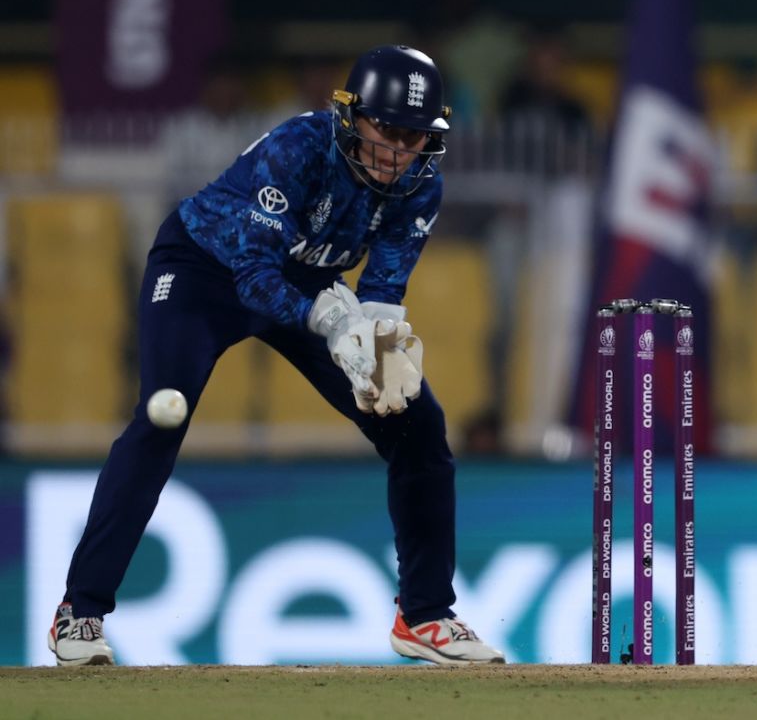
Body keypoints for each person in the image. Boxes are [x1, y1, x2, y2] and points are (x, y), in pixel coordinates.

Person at [47, 45, 505, 667]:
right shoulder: (297, 149)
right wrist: (333, 323)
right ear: (351, 116)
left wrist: (379, 342)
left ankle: (425, 616)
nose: (400, 152)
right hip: (205, 267)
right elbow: (254, 277)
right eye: (388, 130)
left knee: (417, 423)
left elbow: (382, 288)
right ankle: (80, 612)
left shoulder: (420, 188)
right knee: (162, 420)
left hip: (314, 283)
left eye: (416, 137)